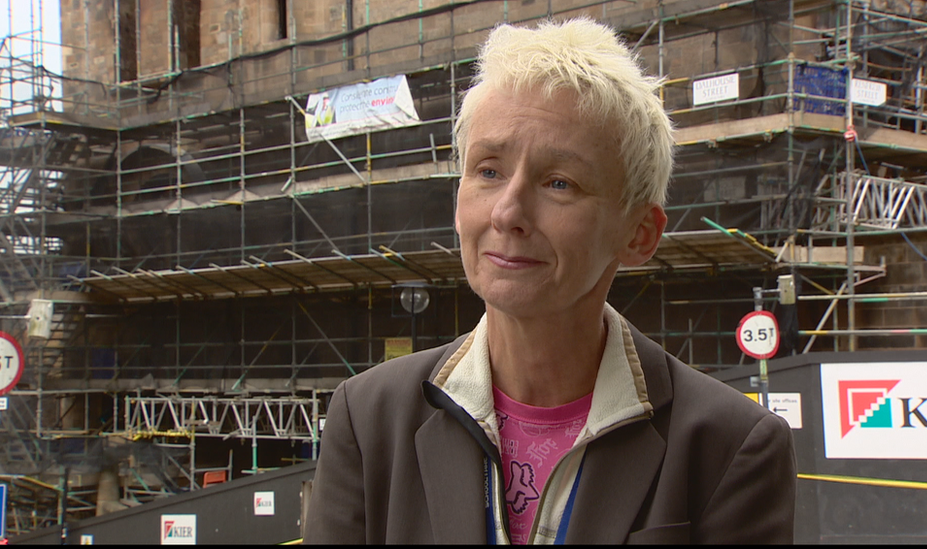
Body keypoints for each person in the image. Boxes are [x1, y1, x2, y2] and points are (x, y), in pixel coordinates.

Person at [304, 17, 796, 545]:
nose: (507, 212)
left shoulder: (727, 447)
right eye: (488, 170)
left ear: (639, 234)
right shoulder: (369, 418)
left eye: (559, 182)